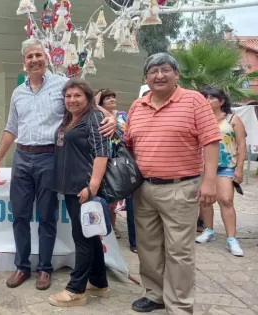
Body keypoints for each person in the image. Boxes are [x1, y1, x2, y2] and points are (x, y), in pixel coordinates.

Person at [0, 38, 116, 291]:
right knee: (20, 216)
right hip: (22, 158)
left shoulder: (61, 85)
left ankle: (45, 269)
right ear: (23, 62)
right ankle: (22, 266)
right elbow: (11, 128)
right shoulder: (18, 92)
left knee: (47, 216)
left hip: (51, 158)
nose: (34, 59)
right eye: (29, 56)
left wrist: (110, 117)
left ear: (46, 57)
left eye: (38, 54)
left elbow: (86, 104)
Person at [124, 53, 221, 314]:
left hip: (181, 187)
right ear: (146, 78)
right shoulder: (137, 106)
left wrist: (209, 180)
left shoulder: (194, 101)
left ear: (176, 74)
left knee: (179, 251)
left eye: (165, 69)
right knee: (148, 247)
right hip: (143, 189)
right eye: (153, 71)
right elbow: (129, 145)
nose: (159, 75)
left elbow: (211, 140)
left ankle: (179, 304)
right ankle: (155, 294)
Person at [48, 79, 110, 307]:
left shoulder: (93, 117)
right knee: (91, 236)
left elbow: (101, 152)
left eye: (77, 96)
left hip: (83, 189)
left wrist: (91, 187)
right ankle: (99, 282)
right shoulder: (70, 119)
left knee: (82, 238)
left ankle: (76, 291)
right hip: (71, 188)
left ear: (88, 98)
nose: (72, 100)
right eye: (68, 96)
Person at [195, 87, 246, 257]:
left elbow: (241, 145)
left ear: (222, 101)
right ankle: (208, 231)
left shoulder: (233, 119)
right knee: (205, 201)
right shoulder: (201, 120)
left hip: (226, 166)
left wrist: (239, 169)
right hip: (203, 166)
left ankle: (231, 238)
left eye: (211, 98)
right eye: (205, 97)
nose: (207, 100)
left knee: (226, 200)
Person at [97, 88, 137, 252]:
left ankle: (122, 233)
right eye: (108, 98)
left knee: (124, 196)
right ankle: (107, 229)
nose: (112, 99)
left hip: (121, 160)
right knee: (108, 197)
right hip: (104, 159)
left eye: (114, 96)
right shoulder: (97, 114)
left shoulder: (121, 115)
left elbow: (127, 134)